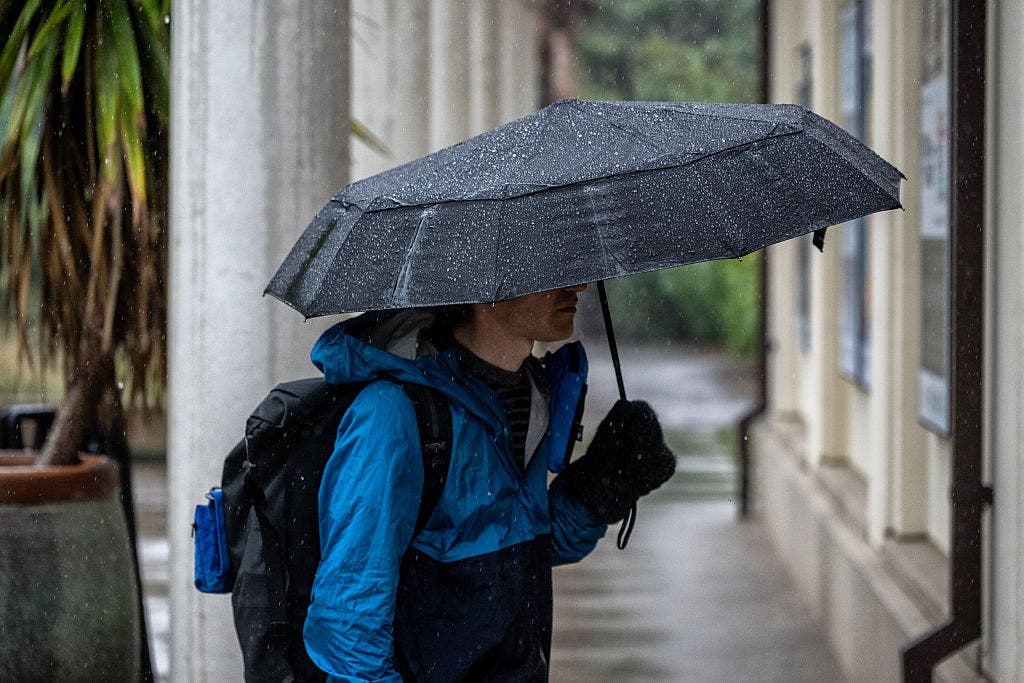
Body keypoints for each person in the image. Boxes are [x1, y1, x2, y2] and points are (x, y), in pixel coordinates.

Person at [302, 283, 677, 681]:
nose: (577, 285)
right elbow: (348, 618)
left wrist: (601, 487)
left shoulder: (532, 393)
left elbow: (517, 553)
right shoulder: (393, 412)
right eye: (546, 270)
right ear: (485, 287)